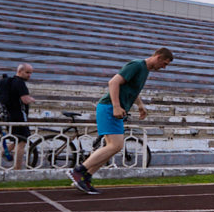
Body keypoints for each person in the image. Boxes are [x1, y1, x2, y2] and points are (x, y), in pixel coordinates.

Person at [69, 48, 173, 194]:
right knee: (116, 145)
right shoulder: (137, 65)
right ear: (158, 57)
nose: (164, 67)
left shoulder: (145, 71)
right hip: (109, 107)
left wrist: (140, 105)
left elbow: (132, 89)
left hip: (115, 109)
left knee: (112, 148)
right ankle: (79, 171)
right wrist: (116, 106)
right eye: (164, 63)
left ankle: (85, 178)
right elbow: (113, 82)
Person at [0, 63, 36, 170]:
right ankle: (17, 169)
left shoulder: (10, 82)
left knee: (16, 140)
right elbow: (25, 100)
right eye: (27, 72)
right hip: (19, 117)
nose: (29, 75)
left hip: (9, 115)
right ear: (20, 71)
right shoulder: (20, 83)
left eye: (31, 73)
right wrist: (32, 100)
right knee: (22, 142)